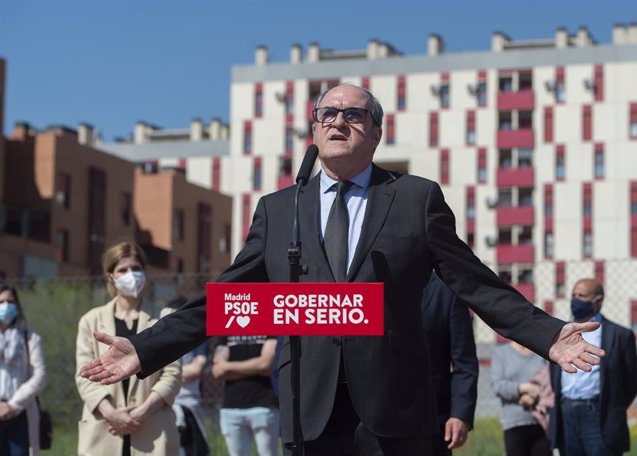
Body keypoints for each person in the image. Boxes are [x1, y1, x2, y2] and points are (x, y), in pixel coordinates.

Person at [81, 83, 605, 456]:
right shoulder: (279, 209)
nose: (337, 121)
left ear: (375, 132)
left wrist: (548, 334)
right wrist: (148, 346)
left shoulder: (414, 199)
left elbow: (474, 281)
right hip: (309, 405)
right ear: (314, 128)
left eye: (353, 114)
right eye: (327, 113)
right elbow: (228, 299)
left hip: (395, 407)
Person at [75, 241, 181, 456]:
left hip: (152, 429)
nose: (130, 274)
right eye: (122, 270)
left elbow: (172, 374)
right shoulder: (90, 321)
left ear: (145, 272)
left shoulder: (165, 318)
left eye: (136, 268)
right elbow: (84, 375)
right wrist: (111, 414)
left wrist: (141, 412)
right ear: (110, 277)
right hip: (103, 430)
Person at [548, 278, 637, 456]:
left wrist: (612, 406)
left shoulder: (620, 335)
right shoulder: (560, 332)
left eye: (582, 295)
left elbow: (632, 382)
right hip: (566, 412)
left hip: (600, 416)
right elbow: (554, 375)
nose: (575, 299)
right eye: (573, 295)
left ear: (598, 301)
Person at [421, 272, 478, 455]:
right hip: (374, 421)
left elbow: (464, 362)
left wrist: (460, 414)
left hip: (433, 421)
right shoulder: (369, 282)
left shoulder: (446, 291)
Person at [211, 335, 279, 456]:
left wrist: (228, 367)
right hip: (231, 407)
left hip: (264, 405)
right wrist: (255, 368)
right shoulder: (226, 329)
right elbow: (218, 371)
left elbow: (266, 364)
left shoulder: (269, 326)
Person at [0, 284, 46, 456]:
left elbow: (39, 376)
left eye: (10, 301)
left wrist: (13, 405)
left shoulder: (30, 339)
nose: (5, 306)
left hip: (21, 413)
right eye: (1, 301)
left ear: (17, 305)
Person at [491, 341, 551, 456]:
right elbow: (497, 386)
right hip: (514, 424)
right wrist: (521, 388)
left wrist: (535, 395)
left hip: (542, 423)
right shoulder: (502, 353)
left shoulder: (540, 350)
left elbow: (550, 380)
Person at [166, 297, 209, 456]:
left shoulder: (197, 339)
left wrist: (167, 374)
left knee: (194, 450)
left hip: (190, 405)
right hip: (164, 403)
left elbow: (196, 369)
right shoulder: (163, 342)